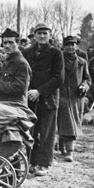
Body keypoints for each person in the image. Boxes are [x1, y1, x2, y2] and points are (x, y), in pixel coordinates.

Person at [23, 23, 64, 176]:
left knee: (47, 132)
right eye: (39, 33)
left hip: (48, 98)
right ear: (34, 35)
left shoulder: (56, 53)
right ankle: (32, 161)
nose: (42, 36)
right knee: (31, 131)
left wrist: (39, 91)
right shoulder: (27, 53)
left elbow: (59, 78)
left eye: (45, 33)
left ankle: (44, 163)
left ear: (49, 35)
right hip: (31, 99)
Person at [56, 36, 91, 162]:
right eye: (68, 45)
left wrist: (84, 86)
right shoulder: (58, 61)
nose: (71, 47)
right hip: (62, 95)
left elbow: (87, 79)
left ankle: (67, 150)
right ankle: (66, 149)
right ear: (63, 47)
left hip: (76, 98)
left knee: (72, 123)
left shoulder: (82, 62)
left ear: (77, 46)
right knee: (65, 123)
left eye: (73, 45)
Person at [0, 28, 31, 105]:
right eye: (5, 43)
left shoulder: (21, 63)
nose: (7, 46)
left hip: (16, 108)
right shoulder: (7, 61)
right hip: (5, 105)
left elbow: (20, 88)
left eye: (11, 42)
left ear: (17, 43)